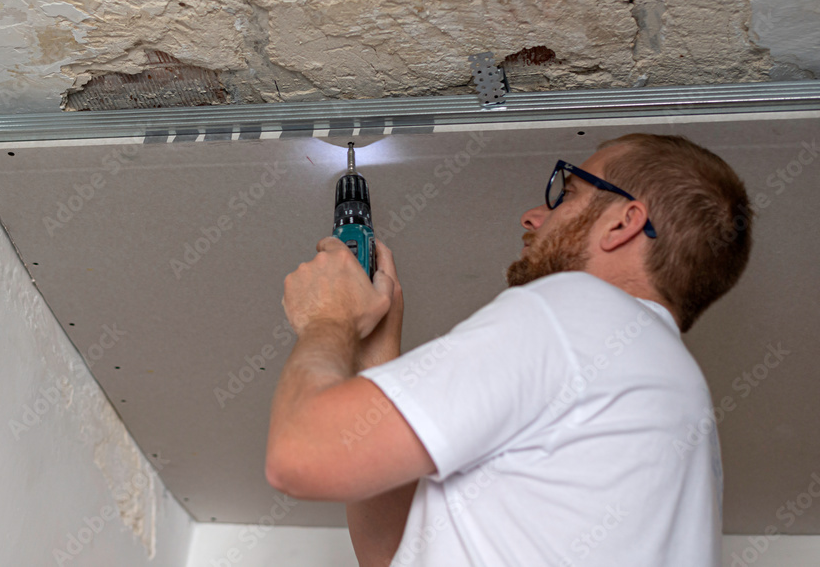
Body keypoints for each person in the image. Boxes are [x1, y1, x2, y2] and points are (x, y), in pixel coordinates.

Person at [266, 133, 752, 566]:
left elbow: (299, 455)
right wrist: (374, 348)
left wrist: (326, 319)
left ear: (624, 222)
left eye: (569, 193)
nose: (533, 215)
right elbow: (389, 553)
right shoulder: (667, 391)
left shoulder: (581, 310)